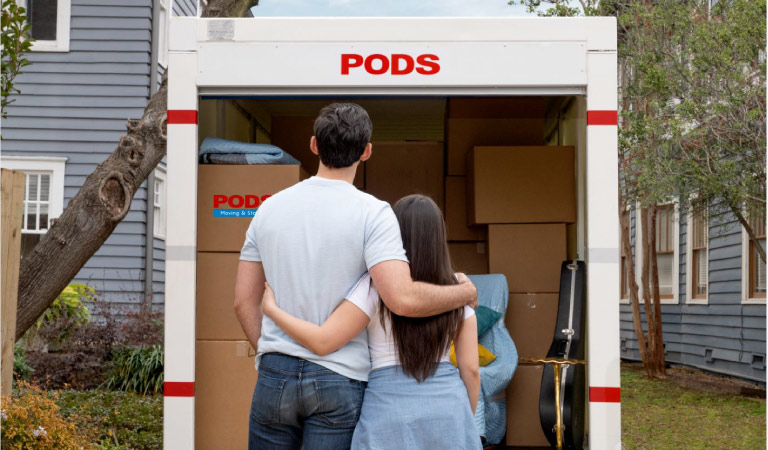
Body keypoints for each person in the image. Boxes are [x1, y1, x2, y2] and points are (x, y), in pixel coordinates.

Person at [234, 103, 477, 450]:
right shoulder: (374, 213)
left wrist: (273, 354)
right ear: (366, 152)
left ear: (314, 145)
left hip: (275, 371)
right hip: (339, 377)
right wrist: (465, 294)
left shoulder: (268, 208)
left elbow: (243, 301)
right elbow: (402, 298)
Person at [261, 194, 482, 449]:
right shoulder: (458, 290)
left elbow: (323, 341)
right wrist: (462, 417)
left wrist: (273, 310)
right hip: (449, 411)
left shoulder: (375, 287)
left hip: (387, 413)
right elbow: (471, 371)